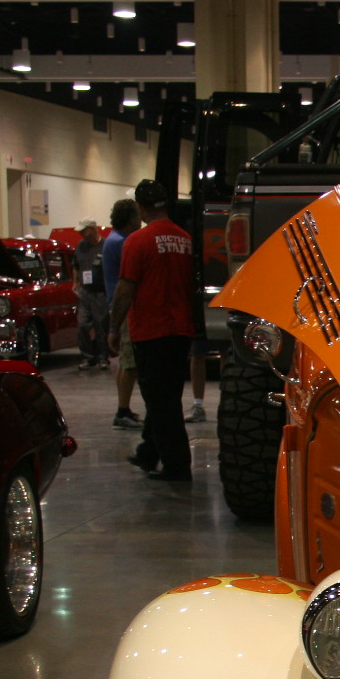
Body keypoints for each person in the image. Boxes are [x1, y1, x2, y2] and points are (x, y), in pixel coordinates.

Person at [110, 180, 195, 482]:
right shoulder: (185, 240)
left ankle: (177, 464)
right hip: (181, 329)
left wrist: (113, 327)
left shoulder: (138, 241)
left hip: (151, 330)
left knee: (161, 401)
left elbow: (126, 288)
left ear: (141, 208)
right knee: (166, 394)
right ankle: (149, 451)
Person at [102, 198, 142, 429]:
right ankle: (122, 411)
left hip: (116, 304)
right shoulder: (123, 242)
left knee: (124, 363)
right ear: (130, 218)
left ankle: (124, 408)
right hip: (125, 308)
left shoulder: (113, 239)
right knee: (129, 362)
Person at [73, 219, 109, 371]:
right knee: (82, 325)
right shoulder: (81, 246)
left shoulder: (105, 245)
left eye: (84, 230)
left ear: (93, 229)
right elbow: (75, 265)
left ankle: (103, 357)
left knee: (101, 326)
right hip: (84, 292)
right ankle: (87, 357)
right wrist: (75, 282)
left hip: (100, 293)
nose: (81, 233)